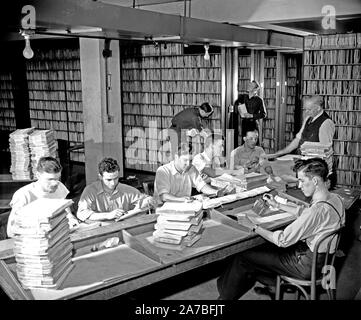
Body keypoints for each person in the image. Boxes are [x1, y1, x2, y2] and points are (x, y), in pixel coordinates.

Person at [217, 158, 345, 300]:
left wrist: (253, 226)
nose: (299, 185)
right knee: (264, 249)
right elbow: (307, 214)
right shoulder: (335, 199)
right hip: (325, 261)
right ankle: (273, 285)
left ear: (315, 181)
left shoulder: (315, 211)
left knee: (243, 256)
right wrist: (278, 205)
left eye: (302, 181)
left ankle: (223, 299)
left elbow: (282, 240)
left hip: (305, 266)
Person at [7, 156, 79, 238]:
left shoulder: (60, 187)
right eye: (50, 179)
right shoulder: (24, 195)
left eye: (57, 179)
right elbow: (11, 230)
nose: (55, 183)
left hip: (57, 236)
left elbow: (66, 209)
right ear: (38, 175)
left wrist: (71, 218)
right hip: (34, 240)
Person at [77, 157, 154, 223]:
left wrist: (146, 203)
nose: (113, 183)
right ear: (100, 177)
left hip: (121, 227)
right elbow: (81, 213)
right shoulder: (90, 191)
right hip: (98, 230)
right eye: (109, 180)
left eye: (116, 178)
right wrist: (107, 215)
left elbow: (148, 200)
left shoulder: (127, 190)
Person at [265, 95, 335, 159]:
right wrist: (281, 152)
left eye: (309, 109)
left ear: (318, 108)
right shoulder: (308, 118)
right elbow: (298, 139)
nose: (306, 112)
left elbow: (325, 150)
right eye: (305, 109)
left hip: (316, 164)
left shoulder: (326, 123)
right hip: (304, 158)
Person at [154, 143, 228, 203]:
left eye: (191, 160)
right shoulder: (163, 171)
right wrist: (182, 199)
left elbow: (202, 186)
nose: (188, 164)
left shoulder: (191, 168)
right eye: (185, 160)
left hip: (185, 208)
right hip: (164, 211)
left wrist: (216, 192)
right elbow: (163, 196)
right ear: (176, 157)